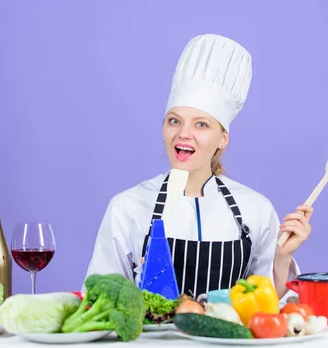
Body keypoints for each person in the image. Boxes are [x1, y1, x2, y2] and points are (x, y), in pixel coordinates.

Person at [83, 34, 313, 304]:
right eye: (174, 121)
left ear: (222, 137)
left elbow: (269, 306)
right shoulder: (127, 206)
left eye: (201, 124)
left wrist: (281, 258)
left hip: (228, 344)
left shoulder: (255, 209)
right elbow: (96, 301)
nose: (183, 134)